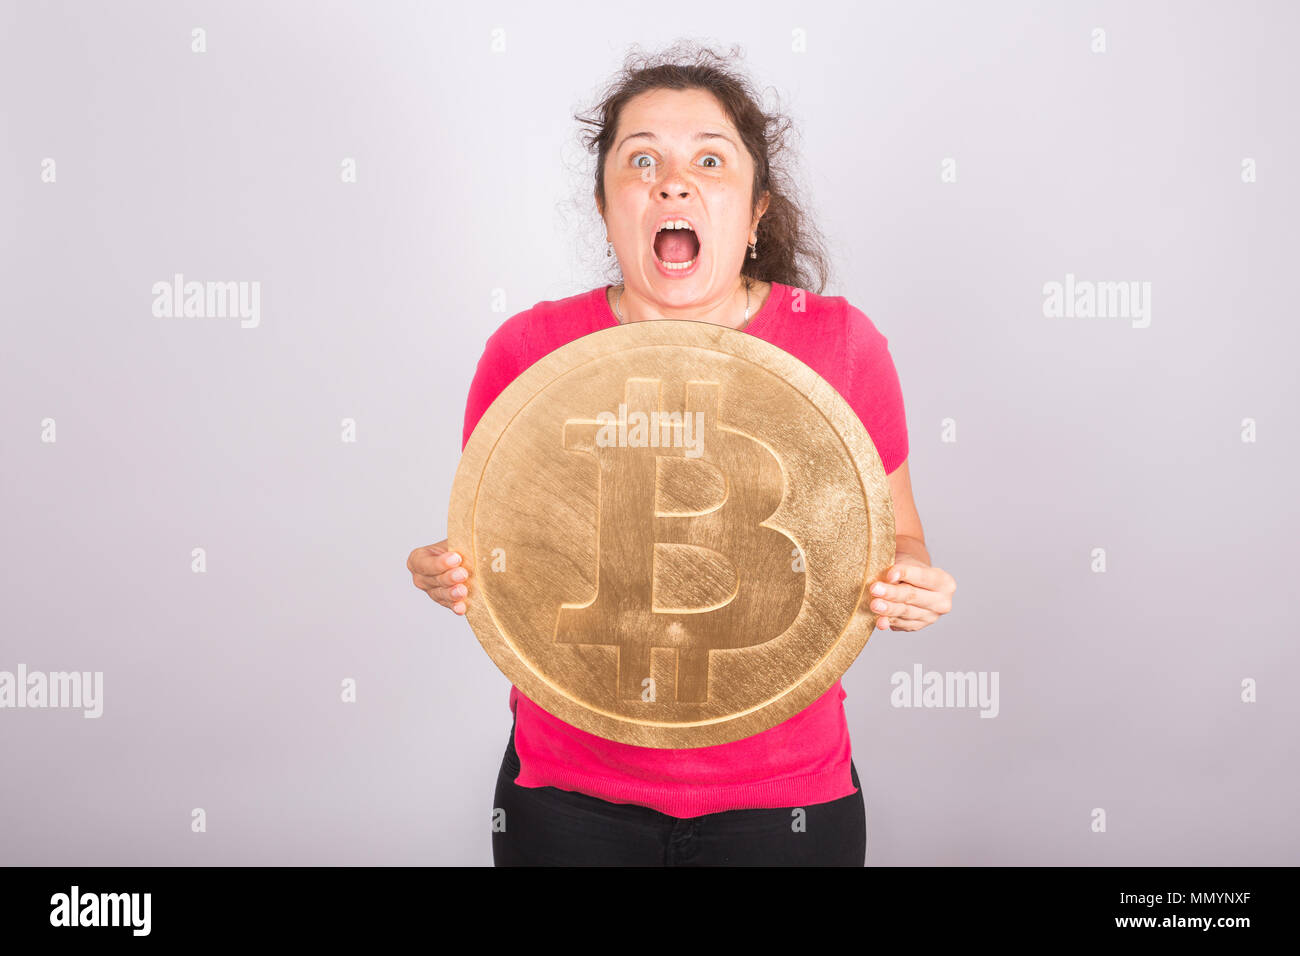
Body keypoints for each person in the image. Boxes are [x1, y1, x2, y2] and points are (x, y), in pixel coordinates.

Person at [407, 42, 956, 866]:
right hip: (567, 797)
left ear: (757, 208)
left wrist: (912, 581)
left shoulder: (839, 343)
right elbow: (504, 552)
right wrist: (445, 570)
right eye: (641, 161)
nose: (672, 181)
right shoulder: (530, 353)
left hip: (786, 803)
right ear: (604, 205)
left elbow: (899, 539)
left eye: (709, 159)